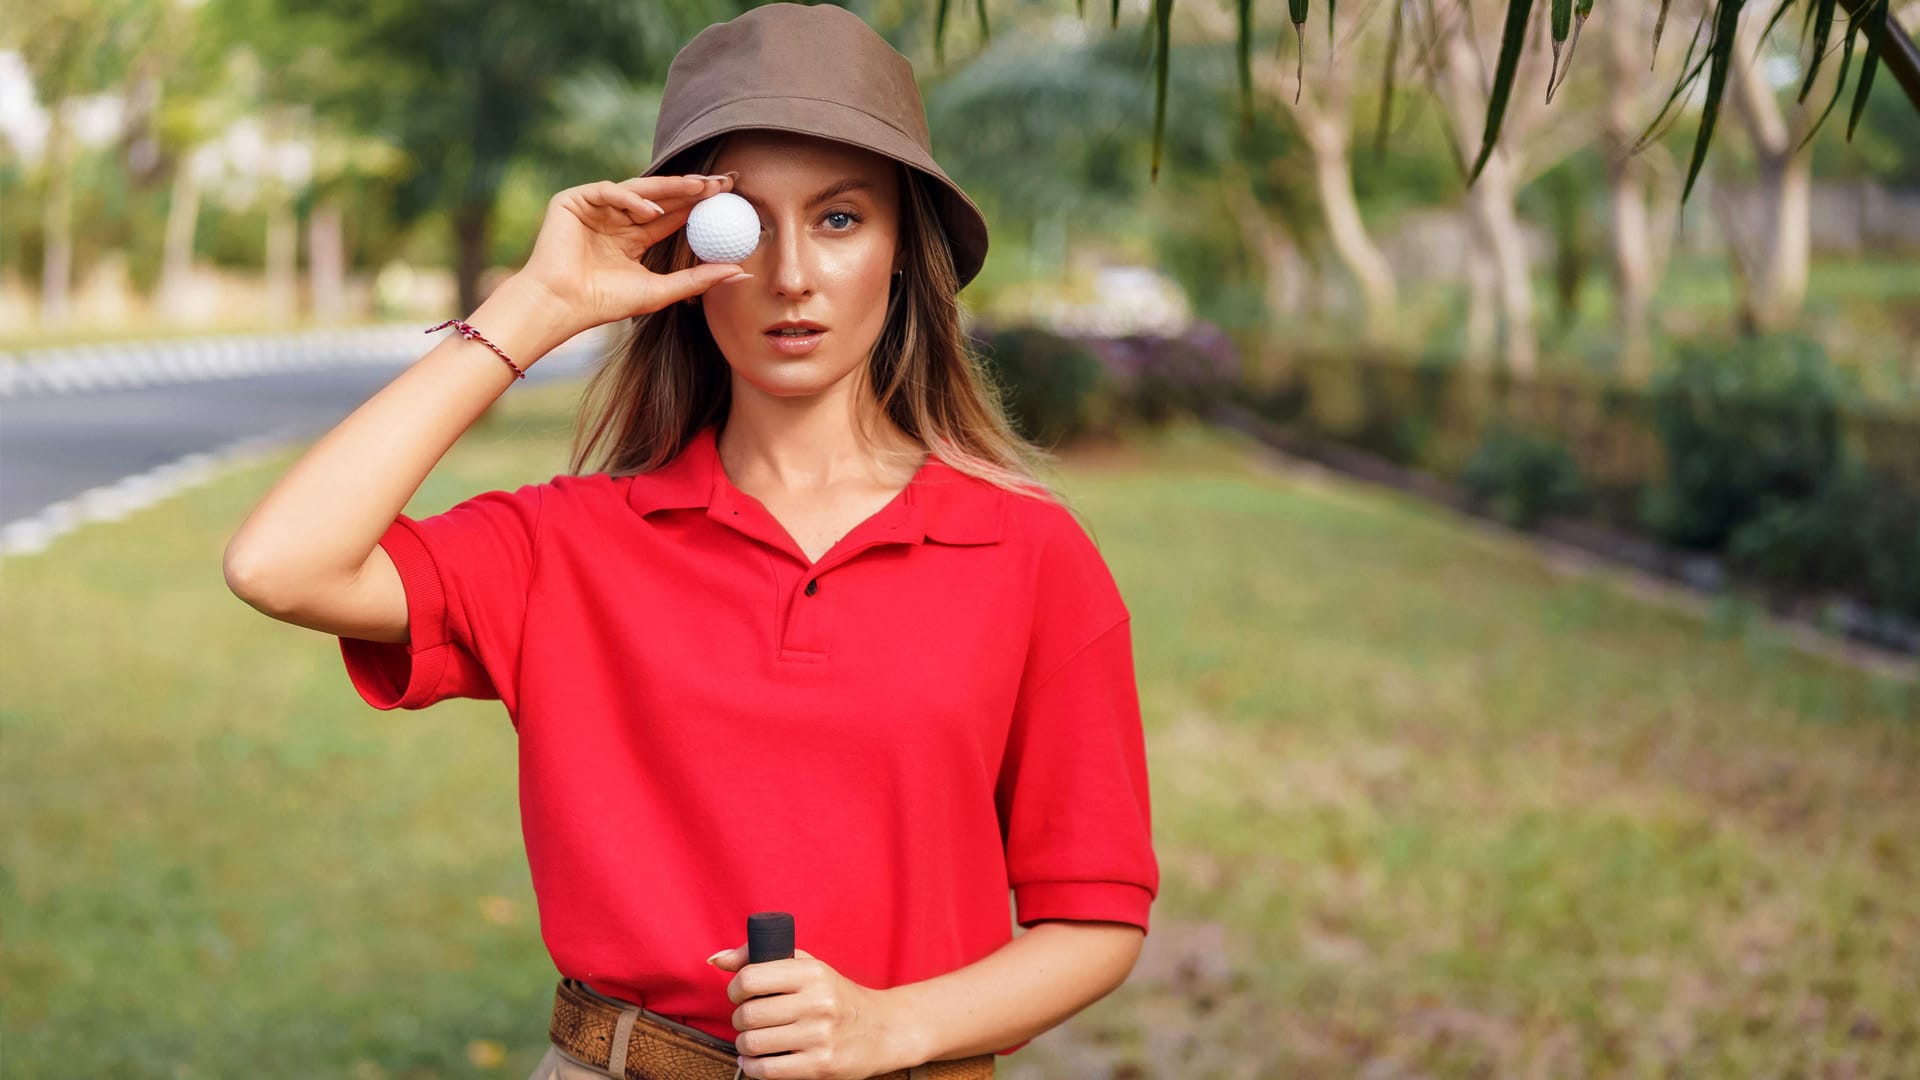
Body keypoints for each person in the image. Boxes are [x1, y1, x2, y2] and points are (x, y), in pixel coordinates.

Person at [222, 5, 1157, 1079]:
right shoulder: (566, 546)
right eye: (743, 227)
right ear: (683, 252)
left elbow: (1095, 919)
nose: (792, 274)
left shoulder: (1028, 552)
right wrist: (538, 304)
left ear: (905, 249)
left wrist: (887, 1028)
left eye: (840, 218)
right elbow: (279, 564)